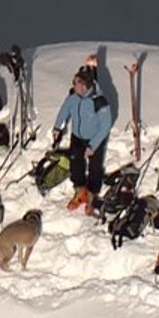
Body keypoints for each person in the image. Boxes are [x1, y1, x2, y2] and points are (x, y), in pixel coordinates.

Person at [51, 70, 112, 215]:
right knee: (76, 162)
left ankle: (91, 194)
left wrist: (93, 145)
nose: (73, 85)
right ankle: (80, 190)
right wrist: (57, 127)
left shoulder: (99, 101)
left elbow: (105, 125)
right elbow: (64, 111)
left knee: (95, 167)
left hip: (95, 138)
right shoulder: (74, 97)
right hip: (77, 137)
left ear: (84, 85)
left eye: (76, 82)